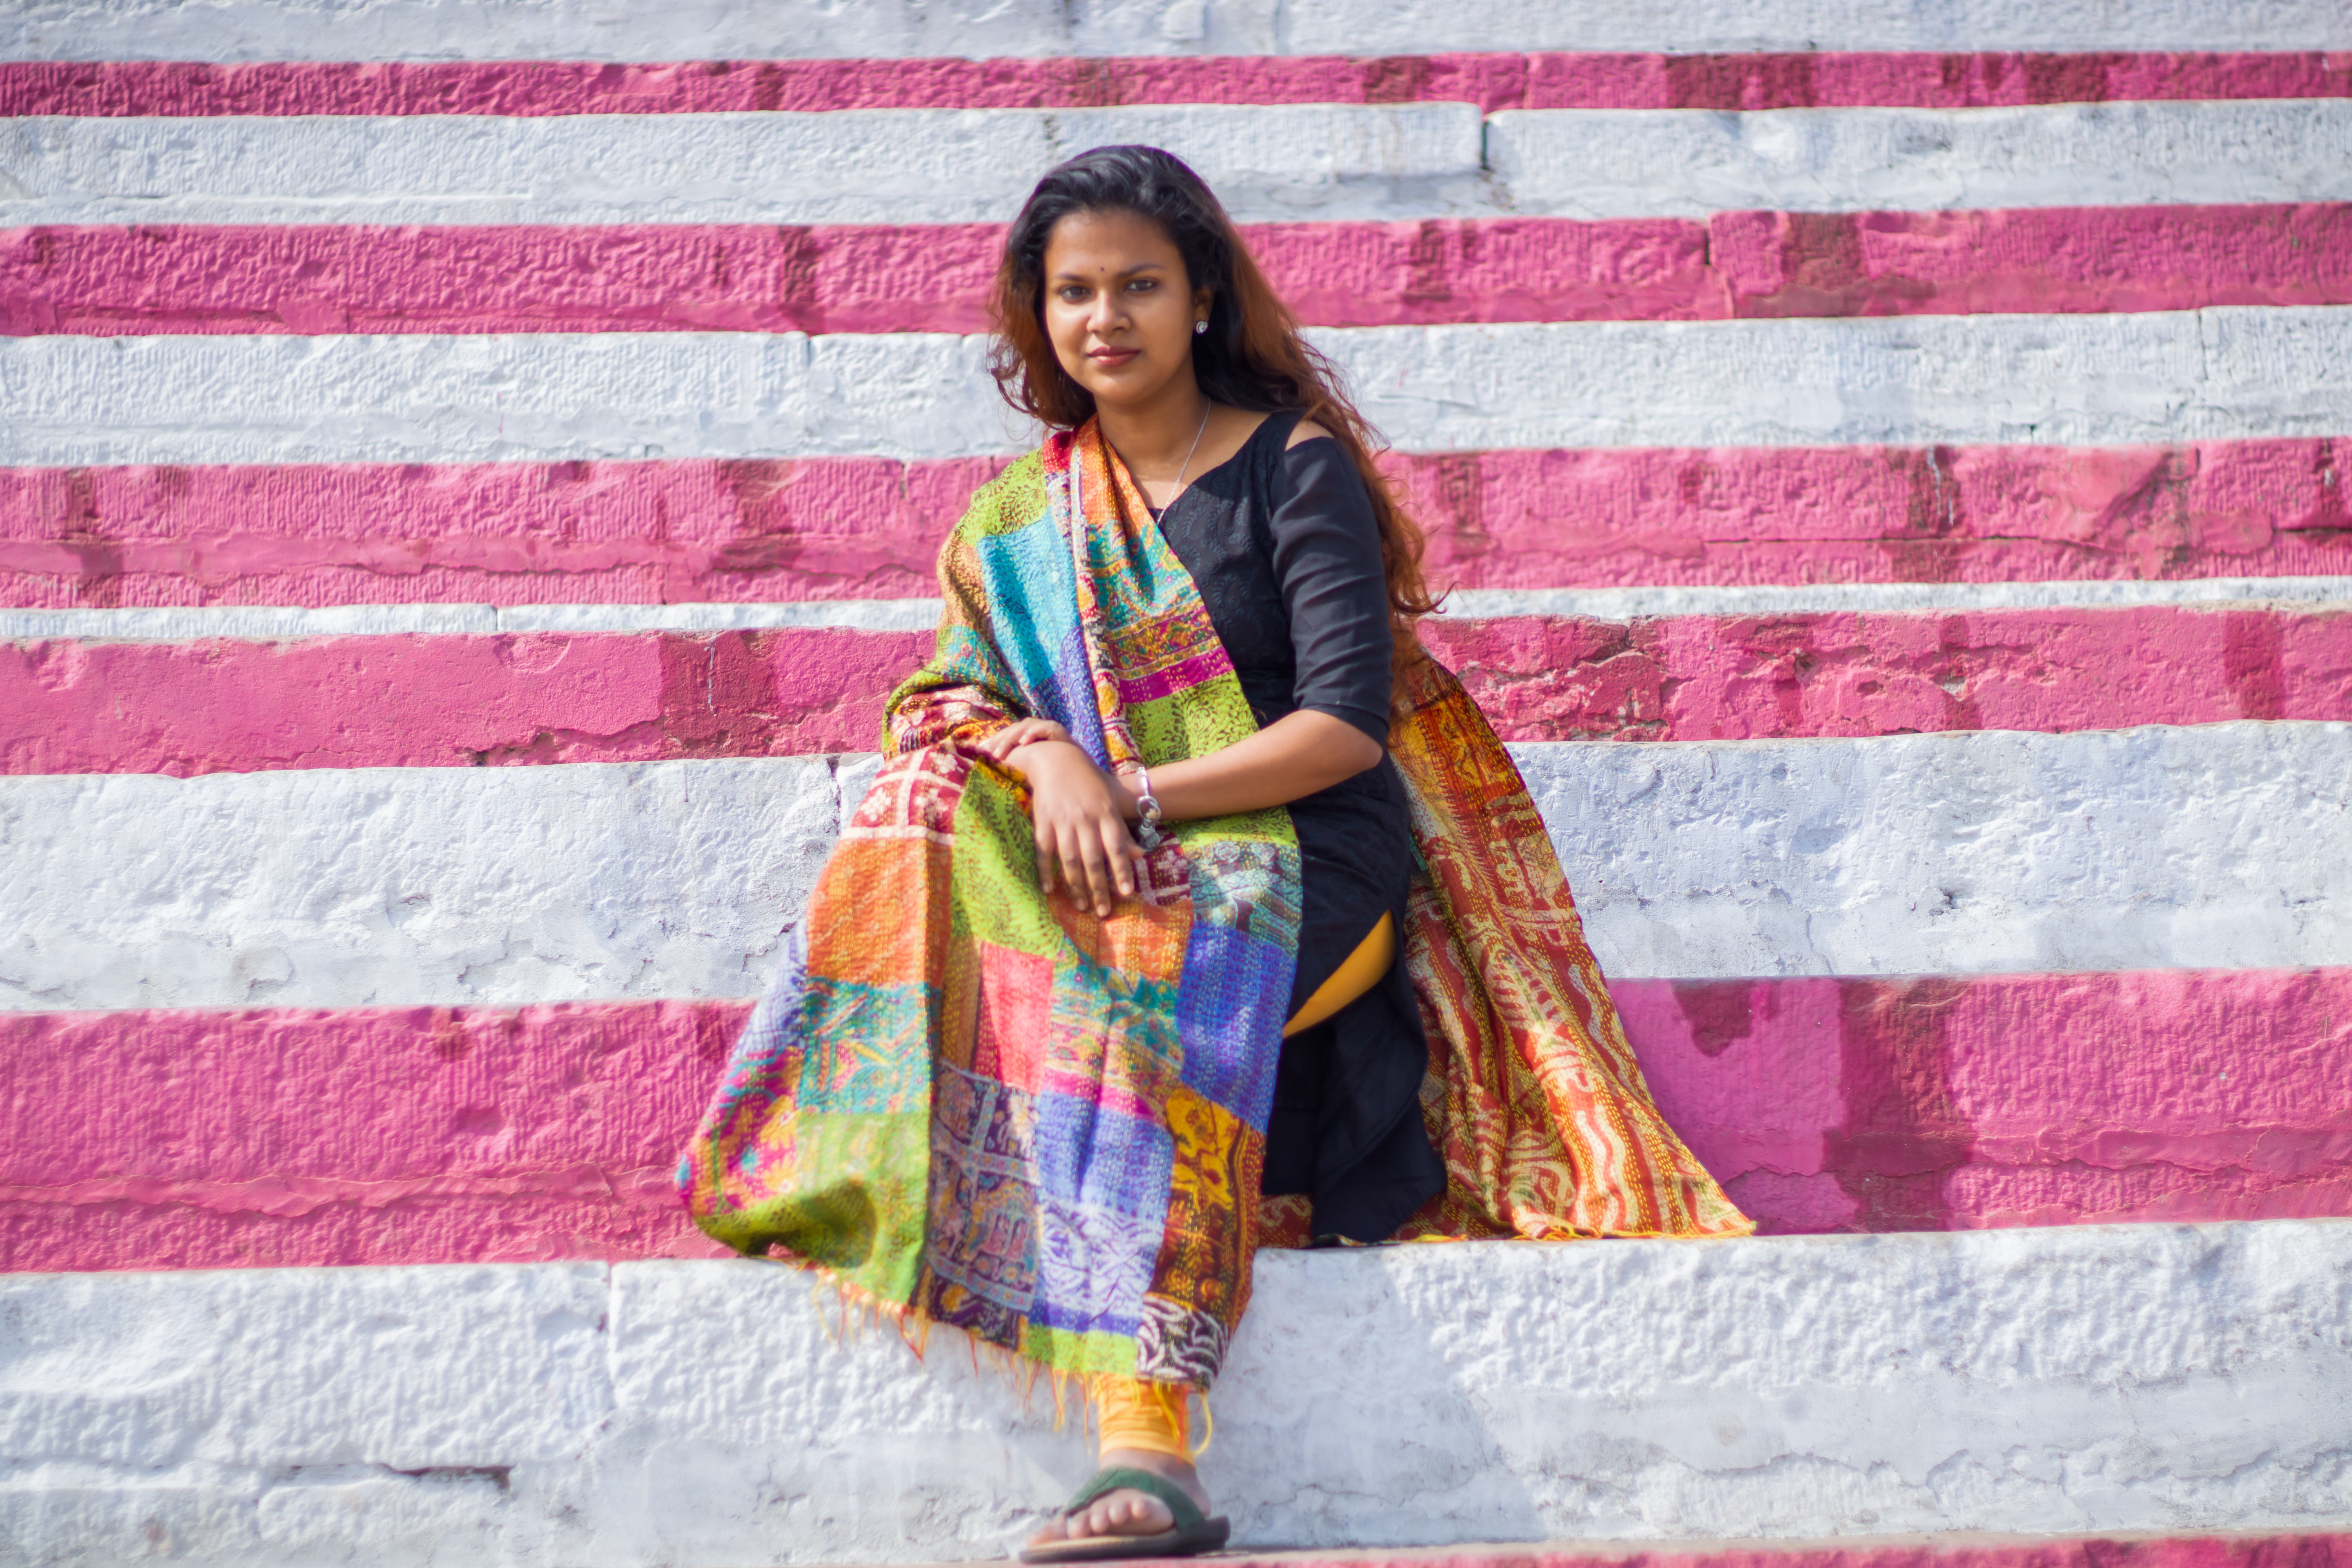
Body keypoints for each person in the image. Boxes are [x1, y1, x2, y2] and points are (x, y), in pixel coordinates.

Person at [677, 145, 1751, 1561]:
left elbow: (1343, 730)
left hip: (1303, 857)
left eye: (1138, 284)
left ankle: (1149, 1436)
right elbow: (946, 703)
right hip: (1105, 852)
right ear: (1036, 314)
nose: (1103, 317)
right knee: (918, 809)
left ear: (1201, 300)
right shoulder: (1020, 519)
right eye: (1072, 290)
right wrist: (1048, 757)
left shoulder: (1293, 468)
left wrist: (1127, 788)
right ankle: (843, 1160)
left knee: (1143, 973)